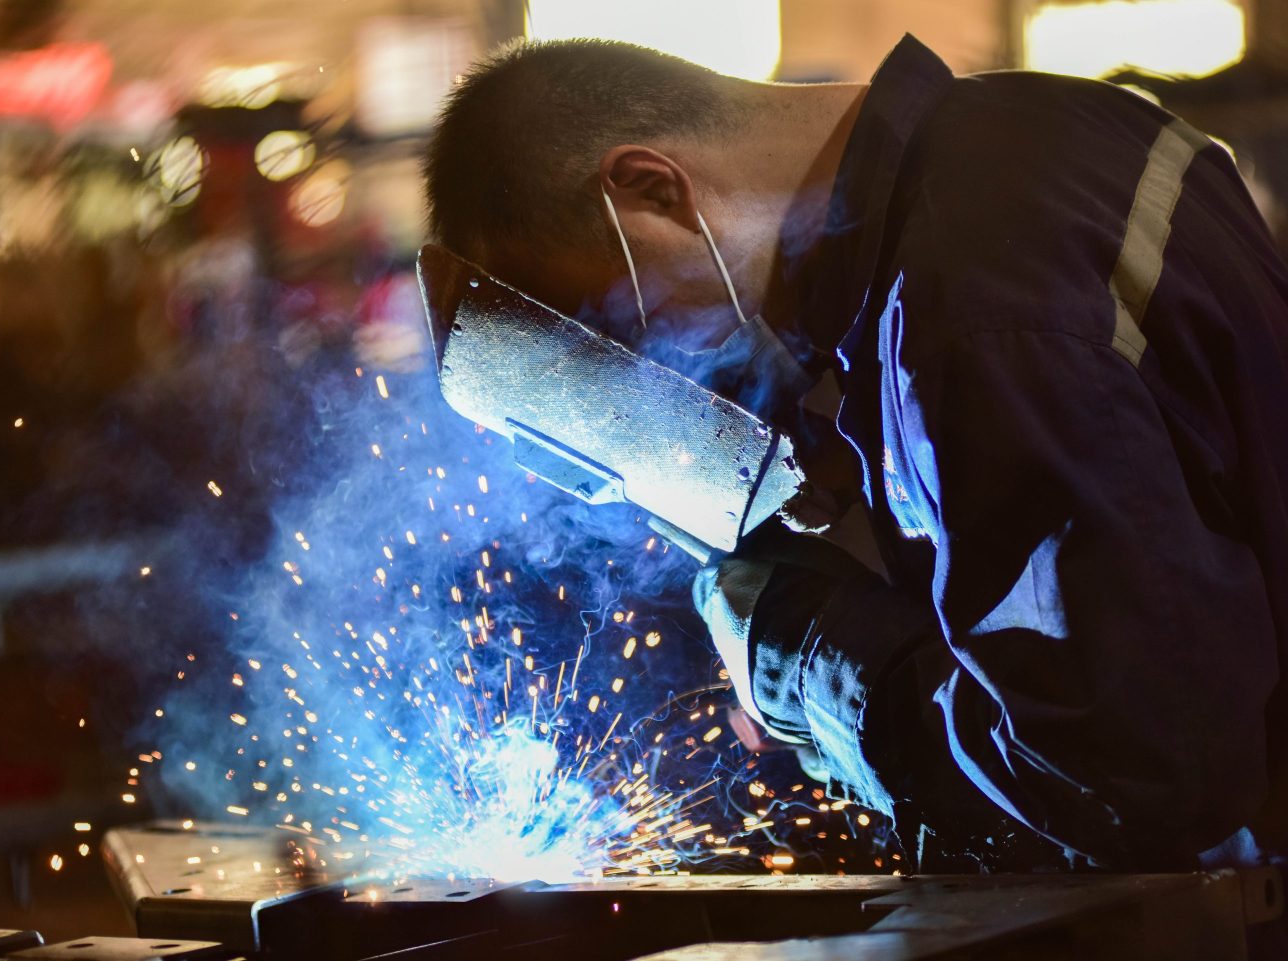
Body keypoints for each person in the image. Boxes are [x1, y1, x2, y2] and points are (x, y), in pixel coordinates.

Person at [422, 33, 1288, 902]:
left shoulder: (969, 312)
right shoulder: (1037, 128)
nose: (672, 384)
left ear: (653, 190)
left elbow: (1125, 786)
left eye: (632, 336)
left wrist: (808, 666)